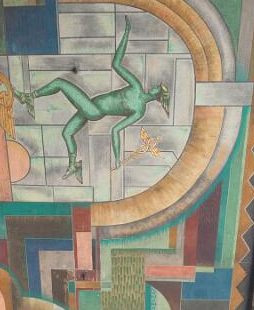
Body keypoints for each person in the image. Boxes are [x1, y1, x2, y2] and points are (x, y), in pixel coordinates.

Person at [14, 16, 170, 184]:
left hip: (94, 111)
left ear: (158, 97)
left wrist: (118, 158)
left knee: (60, 83)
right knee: (67, 133)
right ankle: (74, 165)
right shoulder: (136, 86)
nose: (156, 86)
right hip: (90, 105)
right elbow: (116, 64)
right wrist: (126, 35)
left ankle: (28, 97)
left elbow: (115, 130)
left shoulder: (139, 111)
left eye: (159, 89)